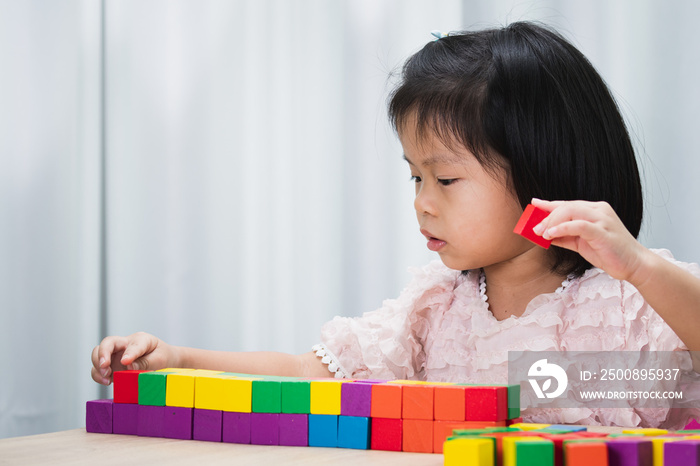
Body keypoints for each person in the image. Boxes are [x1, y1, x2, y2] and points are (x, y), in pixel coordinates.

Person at [91, 22, 700, 429]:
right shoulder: (434, 309)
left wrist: (643, 268)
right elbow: (311, 373)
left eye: (446, 179)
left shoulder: (626, 301)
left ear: (544, 168)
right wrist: (179, 358)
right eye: (415, 178)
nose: (422, 203)